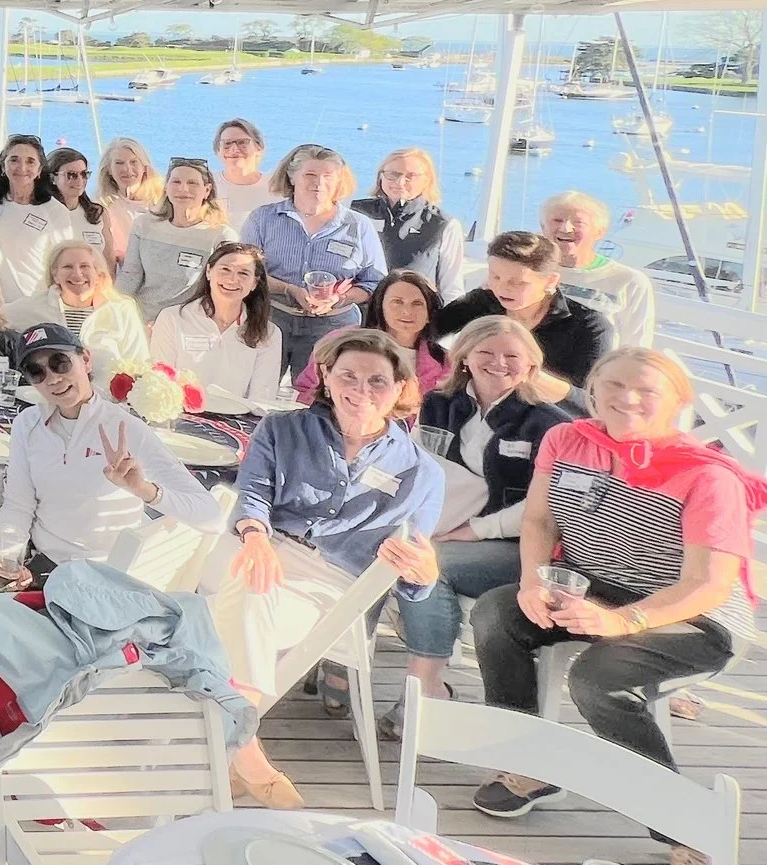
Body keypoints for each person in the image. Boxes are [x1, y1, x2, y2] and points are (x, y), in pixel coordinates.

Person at [464, 350, 762, 865]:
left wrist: (621, 621)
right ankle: (529, 764)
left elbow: (708, 586)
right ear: (593, 390)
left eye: (647, 390)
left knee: (598, 678)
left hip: (691, 616)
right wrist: (533, 581)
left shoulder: (707, 477)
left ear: (678, 401)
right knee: (497, 613)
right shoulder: (567, 439)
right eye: (615, 385)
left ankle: (682, 822)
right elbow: (539, 521)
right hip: (596, 586)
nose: (628, 399)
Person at [203, 327, 446, 808]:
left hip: (331, 583)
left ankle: (233, 747)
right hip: (257, 545)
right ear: (327, 377)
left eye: (377, 380)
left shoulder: (422, 472)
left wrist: (424, 575)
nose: (361, 390)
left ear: (400, 388)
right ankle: (243, 750)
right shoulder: (281, 429)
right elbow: (252, 493)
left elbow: (411, 569)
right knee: (248, 581)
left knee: (218, 612)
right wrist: (256, 536)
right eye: (348, 376)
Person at [388, 316, 579, 730]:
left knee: (429, 565)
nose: (499, 363)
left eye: (512, 356)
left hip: (520, 548)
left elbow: (545, 507)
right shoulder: (438, 404)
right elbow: (416, 466)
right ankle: (338, 669)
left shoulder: (549, 423)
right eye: (486, 353)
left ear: (531, 365)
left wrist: (471, 532)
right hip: (443, 525)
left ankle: (425, 688)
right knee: (385, 549)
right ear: (464, 358)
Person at [0, 322, 218, 595]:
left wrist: (142, 489)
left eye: (60, 363)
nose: (52, 379)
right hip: (41, 564)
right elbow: (18, 503)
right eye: (36, 372)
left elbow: (211, 515)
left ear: (86, 359)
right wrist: (8, 560)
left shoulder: (125, 428)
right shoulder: (27, 424)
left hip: (99, 579)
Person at [242, 143, 386, 376]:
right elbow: (246, 272)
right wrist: (290, 290)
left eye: (328, 176)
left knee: (321, 395)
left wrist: (337, 298)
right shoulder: (263, 218)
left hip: (333, 329)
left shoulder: (359, 226)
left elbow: (374, 282)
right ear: (292, 177)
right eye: (310, 174)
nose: (318, 183)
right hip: (270, 320)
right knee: (254, 389)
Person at [437, 231, 613, 386]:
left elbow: (587, 399)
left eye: (518, 282)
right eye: (495, 276)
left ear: (551, 280)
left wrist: (522, 373)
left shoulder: (590, 326)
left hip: (546, 412)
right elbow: (429, 330)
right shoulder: (483, 301)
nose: (502, 288)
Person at [150, 241, 283, 404]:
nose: (232, 279)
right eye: (225, 269)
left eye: (243, 273)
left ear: (255, 283)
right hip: (178, 413)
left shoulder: (268, 333)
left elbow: (262, 398)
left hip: (237, 418)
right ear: (208, 272)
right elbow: (160, 382)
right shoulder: (172, 318)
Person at [294, 271, 450, 402]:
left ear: (430, 313)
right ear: (380, 306)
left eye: (417, 303)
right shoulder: (339, 343)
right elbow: (306, 392)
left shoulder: (445, 362)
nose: (407, 311)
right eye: (397, 302)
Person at [115, 157, 236, 320]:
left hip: (189, 322)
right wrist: (111, 310)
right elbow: (130, 275)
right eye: (176, 182)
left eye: (192, 183)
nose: (183, 189)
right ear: (166, 188)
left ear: (207, 190)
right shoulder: (143, 225)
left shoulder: (220, 236)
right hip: (142, 320)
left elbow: (223, 290)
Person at [4, 240, 147, 377]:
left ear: (98, 274)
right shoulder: (32, 308)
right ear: (55, 274)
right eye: (68, 267)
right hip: (50, 392)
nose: (77, 274)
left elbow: (139, 364)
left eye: (85, 266)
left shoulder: (121, 310)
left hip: (105, 393)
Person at [542, 191, 657, 349]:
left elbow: (636, 346)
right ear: (543, 227)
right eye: (557, 220)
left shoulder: (629, 281)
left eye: (578, 222)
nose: (565, 228)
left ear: (599, 232)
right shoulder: (529, 272)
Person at [0, 134, 76, 304]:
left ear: (39, 170)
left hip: (37, 303)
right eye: (14, 160)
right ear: (3, 166)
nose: (22, 167)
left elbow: (65, 260)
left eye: (30, 161)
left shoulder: (55, 211)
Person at [350, 147, 465, 304]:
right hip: (360, 311)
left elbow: (451, 288)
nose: (400, 182)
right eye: (392, 174)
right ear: (380, 176)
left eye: (411, 176)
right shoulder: (355, 213)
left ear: (427, 180)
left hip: (411, 312)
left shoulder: (443, 225)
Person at [41, 147, 113, 263]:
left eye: (84, 174)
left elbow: (109, 258)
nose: (80, 180)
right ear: (52, 178)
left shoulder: (97, 213)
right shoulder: (42, 212)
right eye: (71, 175)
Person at [97, 136, 161, 266]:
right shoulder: (101, 206)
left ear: (144, 167)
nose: (127, 169)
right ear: (109, 169)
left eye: (133, 162)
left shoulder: (162, 202)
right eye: (119, 163)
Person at [211, 118, 281, 216]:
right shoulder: (207, 186)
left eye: (242, 142)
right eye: (227, 143)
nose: (234, 149)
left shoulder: (277, 189)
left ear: (259, 148)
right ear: (218, 150)